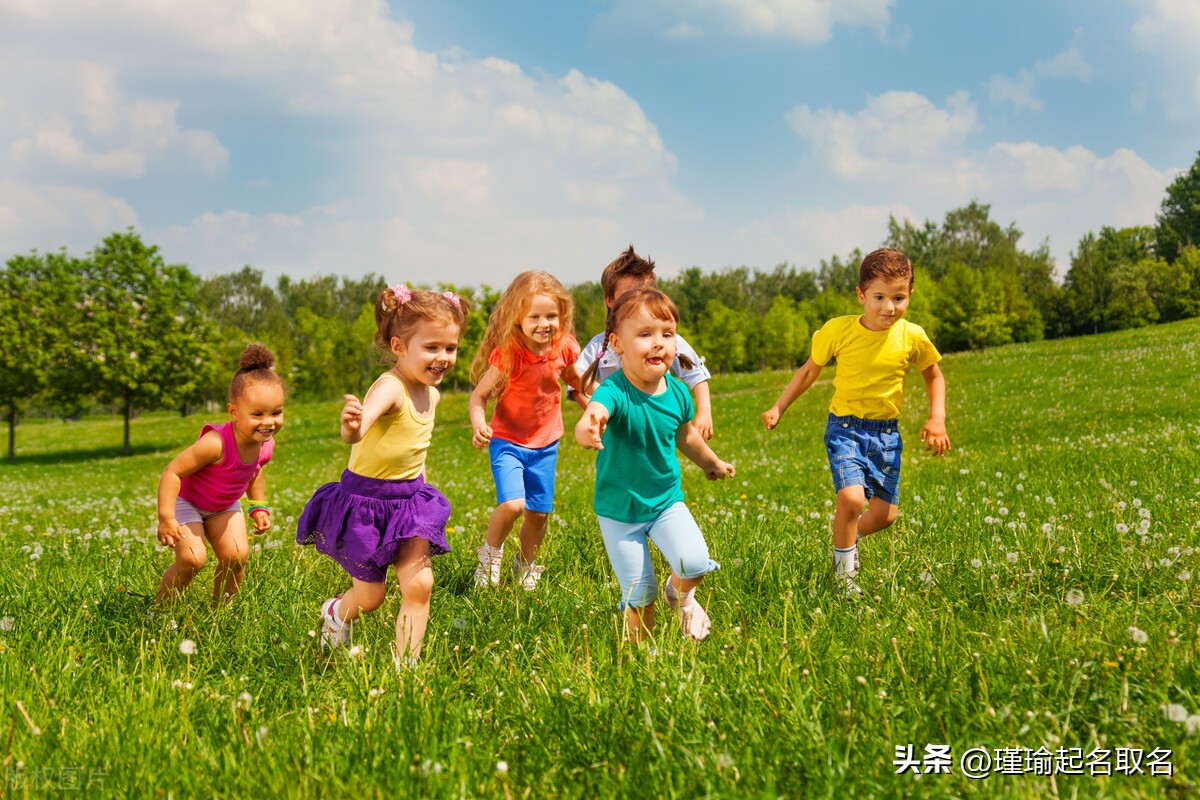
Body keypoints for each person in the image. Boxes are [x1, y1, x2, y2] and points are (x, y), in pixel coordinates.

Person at [296, 285, 469, 668]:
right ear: (399, 345)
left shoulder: (432, 394)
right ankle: (337, 613)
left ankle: (405, 668)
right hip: (366, 505)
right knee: (371, 598)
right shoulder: (391, 388)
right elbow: (357, 434)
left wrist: (420, 483)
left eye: (450, 348)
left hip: (409, 504)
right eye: (432, 347)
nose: (443, 358)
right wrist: (351, 426)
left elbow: (415, 447)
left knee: (420, 585)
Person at [762, 248, 950, 596]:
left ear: (909, 295)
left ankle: (849, 539)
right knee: (851, 499)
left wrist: (936, 417)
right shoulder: (839, 330)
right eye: (879, 297)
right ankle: (844, 581)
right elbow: (808, 372)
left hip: (887, 435)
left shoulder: (912, 336)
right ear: (861, 295)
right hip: (846, 429)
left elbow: (934, 377)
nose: (888, 307)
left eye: (898, 298)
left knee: (884, 516)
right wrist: (779, 407)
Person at [575, 287, 734, 646]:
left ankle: (679, 596)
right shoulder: (613, 391)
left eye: (667, 333)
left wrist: (711, 462)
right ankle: (642, 659)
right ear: (617, 343)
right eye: (645, 335)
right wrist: (589, 428)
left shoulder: (678, 392)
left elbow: (686, 437)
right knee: (639, 594)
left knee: (694, 562)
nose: (658, 343)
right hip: (619, 513)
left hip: (665, 502)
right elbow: (594, 414)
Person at [469, 271, 587, 591]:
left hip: (546, 444)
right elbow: (479, 396)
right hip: (507, 442)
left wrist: (595, 406)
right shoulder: (508, 353)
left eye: (551, 316)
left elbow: (579, 384)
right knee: (513, 505)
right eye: (533, 316)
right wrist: (480, 423)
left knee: (538, 514)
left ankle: (526, 566)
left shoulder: (564, 348)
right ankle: (490, 558)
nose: (543, 323)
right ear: (517, 319)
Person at [155, 343, 285, 604]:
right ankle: (160, 609)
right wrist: (166, 517)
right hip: (187, 503)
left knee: (236, 557)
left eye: (277, 412)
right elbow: (173, 472)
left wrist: (258, 506)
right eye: (258, 414)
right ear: (234, 412)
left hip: (223, 506)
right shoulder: (216, 443)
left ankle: (220, 614)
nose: (269, 421)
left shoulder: (264, 444)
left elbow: (254, 472)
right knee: (192, 558)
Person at [575, 245, 715, 439]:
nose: (640, 300)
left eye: (646, 292)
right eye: (629, 295)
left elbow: (696, 372)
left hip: (659, 424)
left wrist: (704, 411)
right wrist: (599, 417)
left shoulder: (668, 339)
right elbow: (577, 384)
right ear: (610, 301)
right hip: (619, 432)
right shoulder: (600, 345)